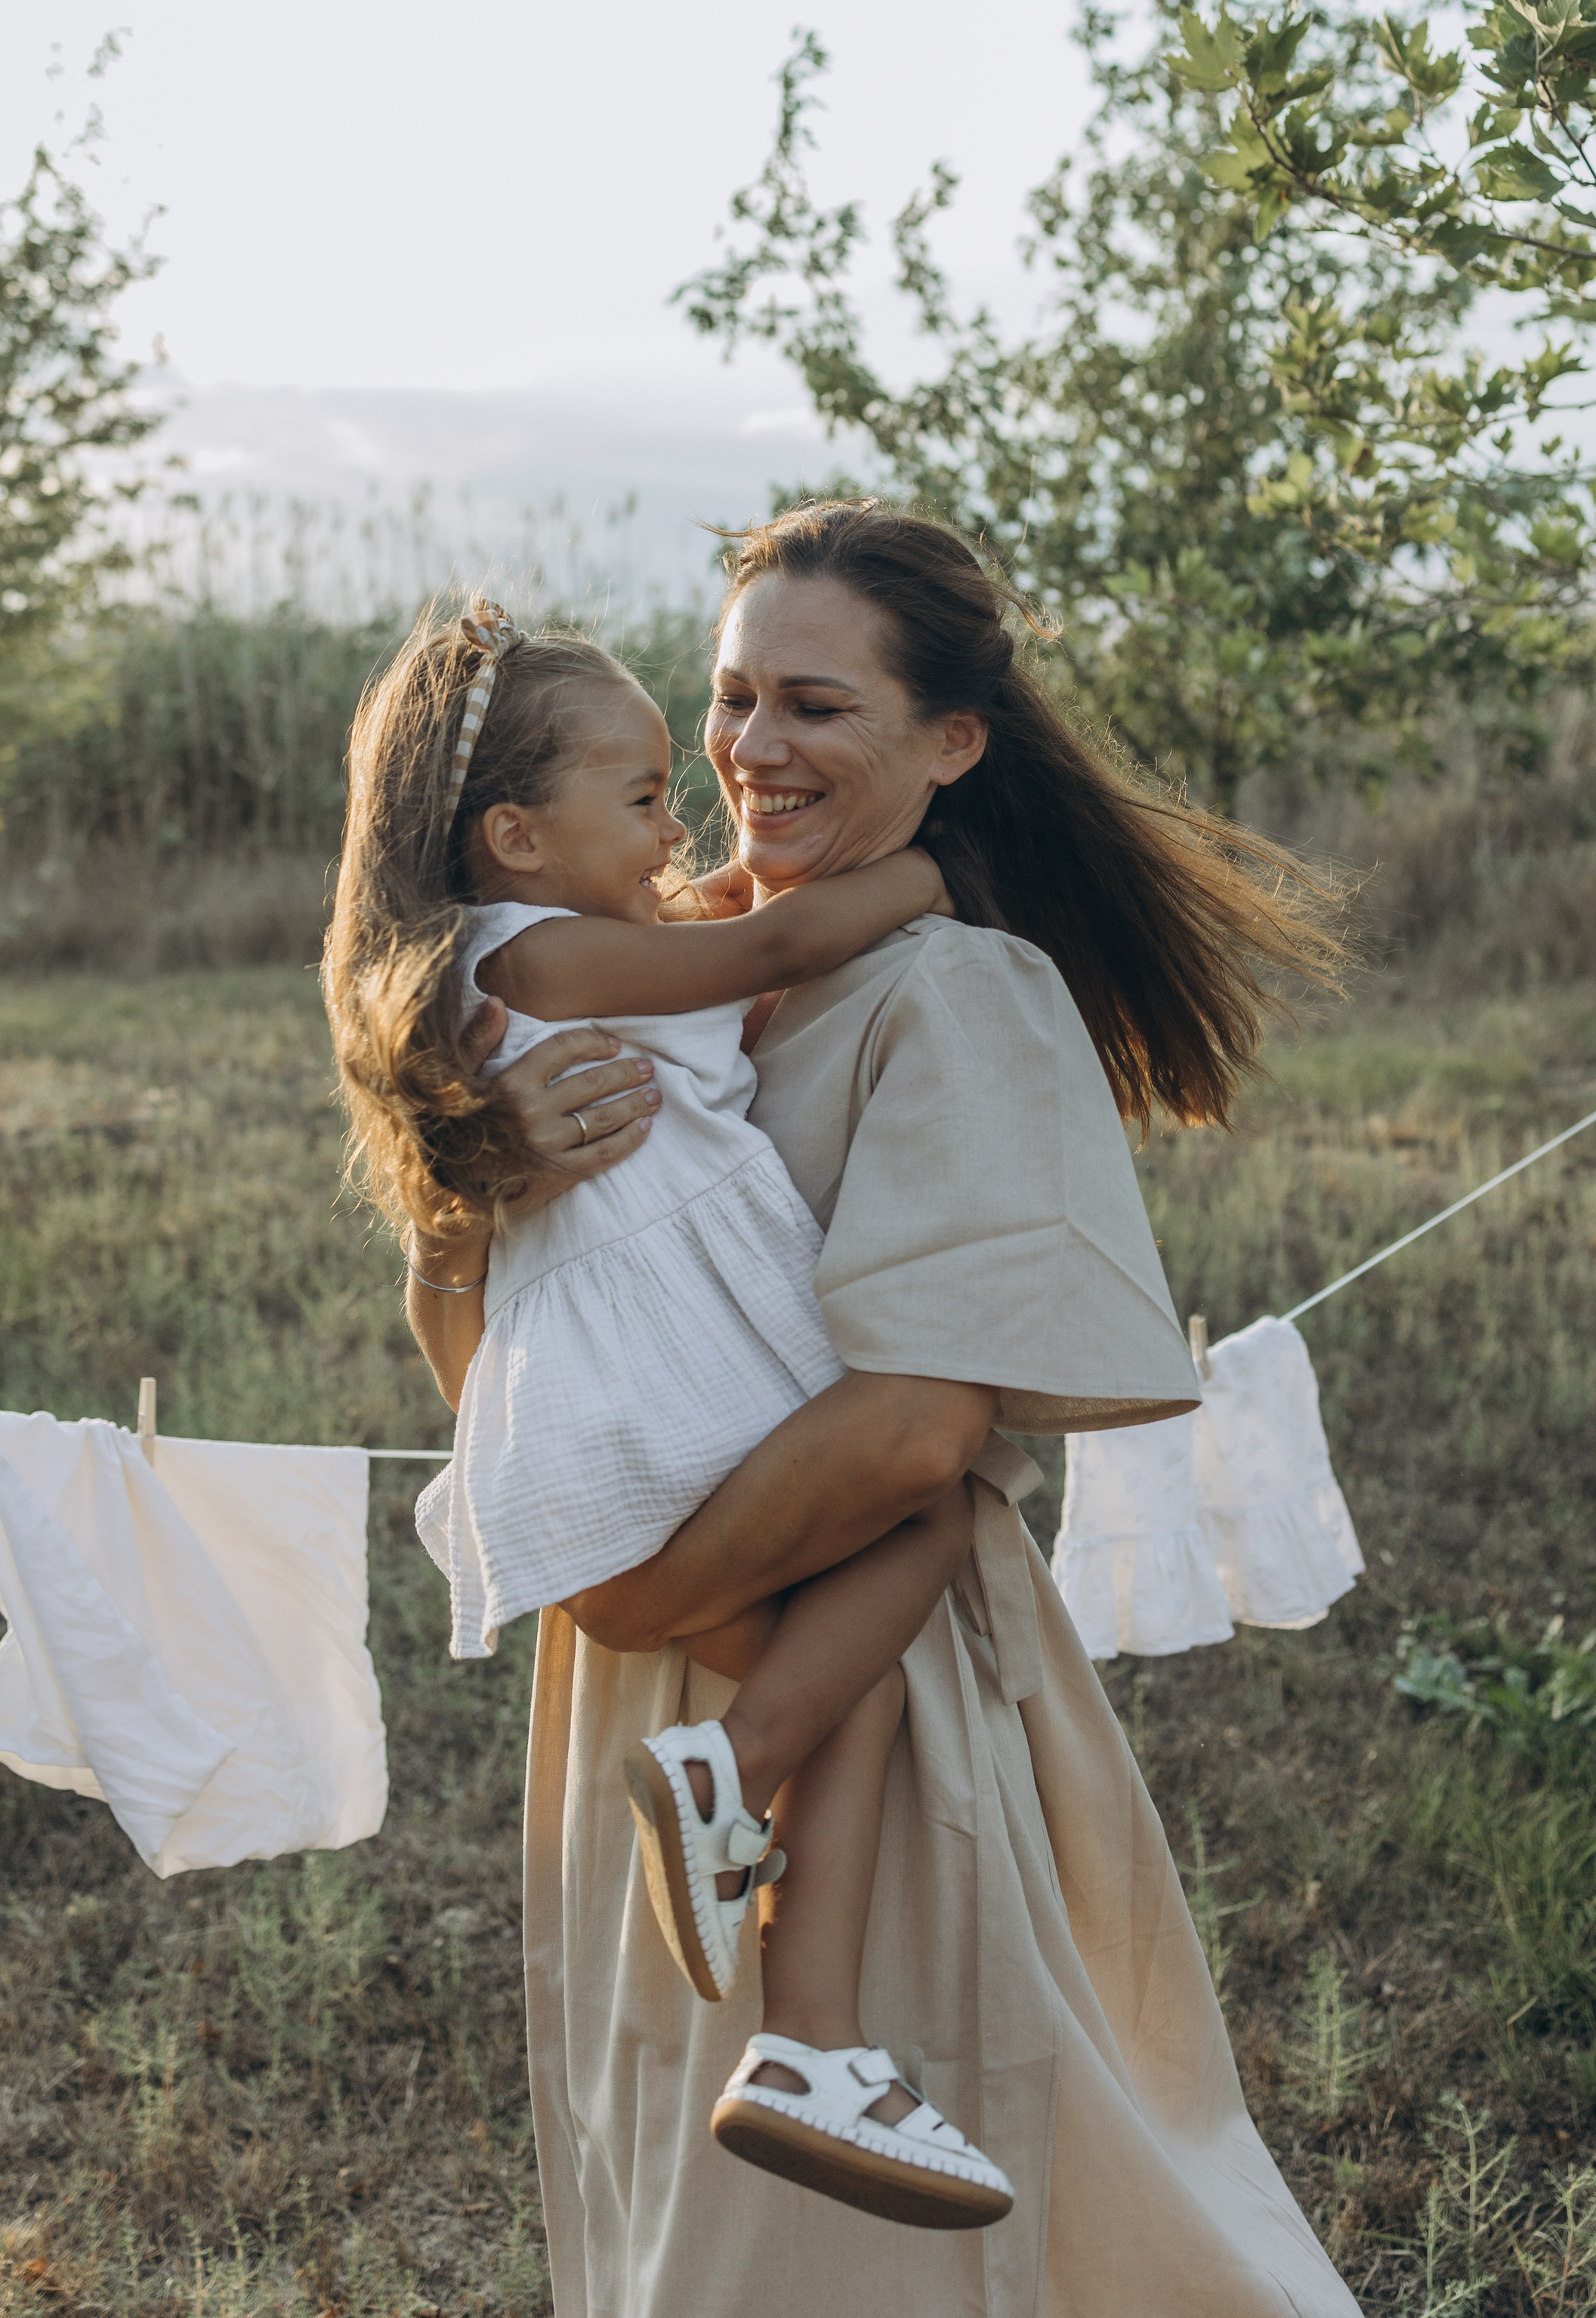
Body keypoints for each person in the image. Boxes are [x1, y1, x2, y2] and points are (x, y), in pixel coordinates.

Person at [406, 501, 1363, 2317]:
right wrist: (469, 1185)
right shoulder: (629, 972)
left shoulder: (953, 990)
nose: (754, 751)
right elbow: (477, 1362)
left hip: (863, 1691)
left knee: (875, 2269)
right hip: (653, 1694)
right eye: (732, 696)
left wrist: (624, 1583)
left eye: (818, 709)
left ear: (950, 742)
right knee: (673, 2227)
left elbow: (922, 1432)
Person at [323, 606, 1017, 2225]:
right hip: (664, 1432)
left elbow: (711, 937)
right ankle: (725, 1773)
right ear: (513, 837)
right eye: (640, 795)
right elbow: (763, 951)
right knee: (919, 1509)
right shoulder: (533, 951)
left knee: (856, 1667)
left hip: (615, 1457)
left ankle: (810, 2044)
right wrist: (925, 876)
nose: (681, 818)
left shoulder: (523, 968)